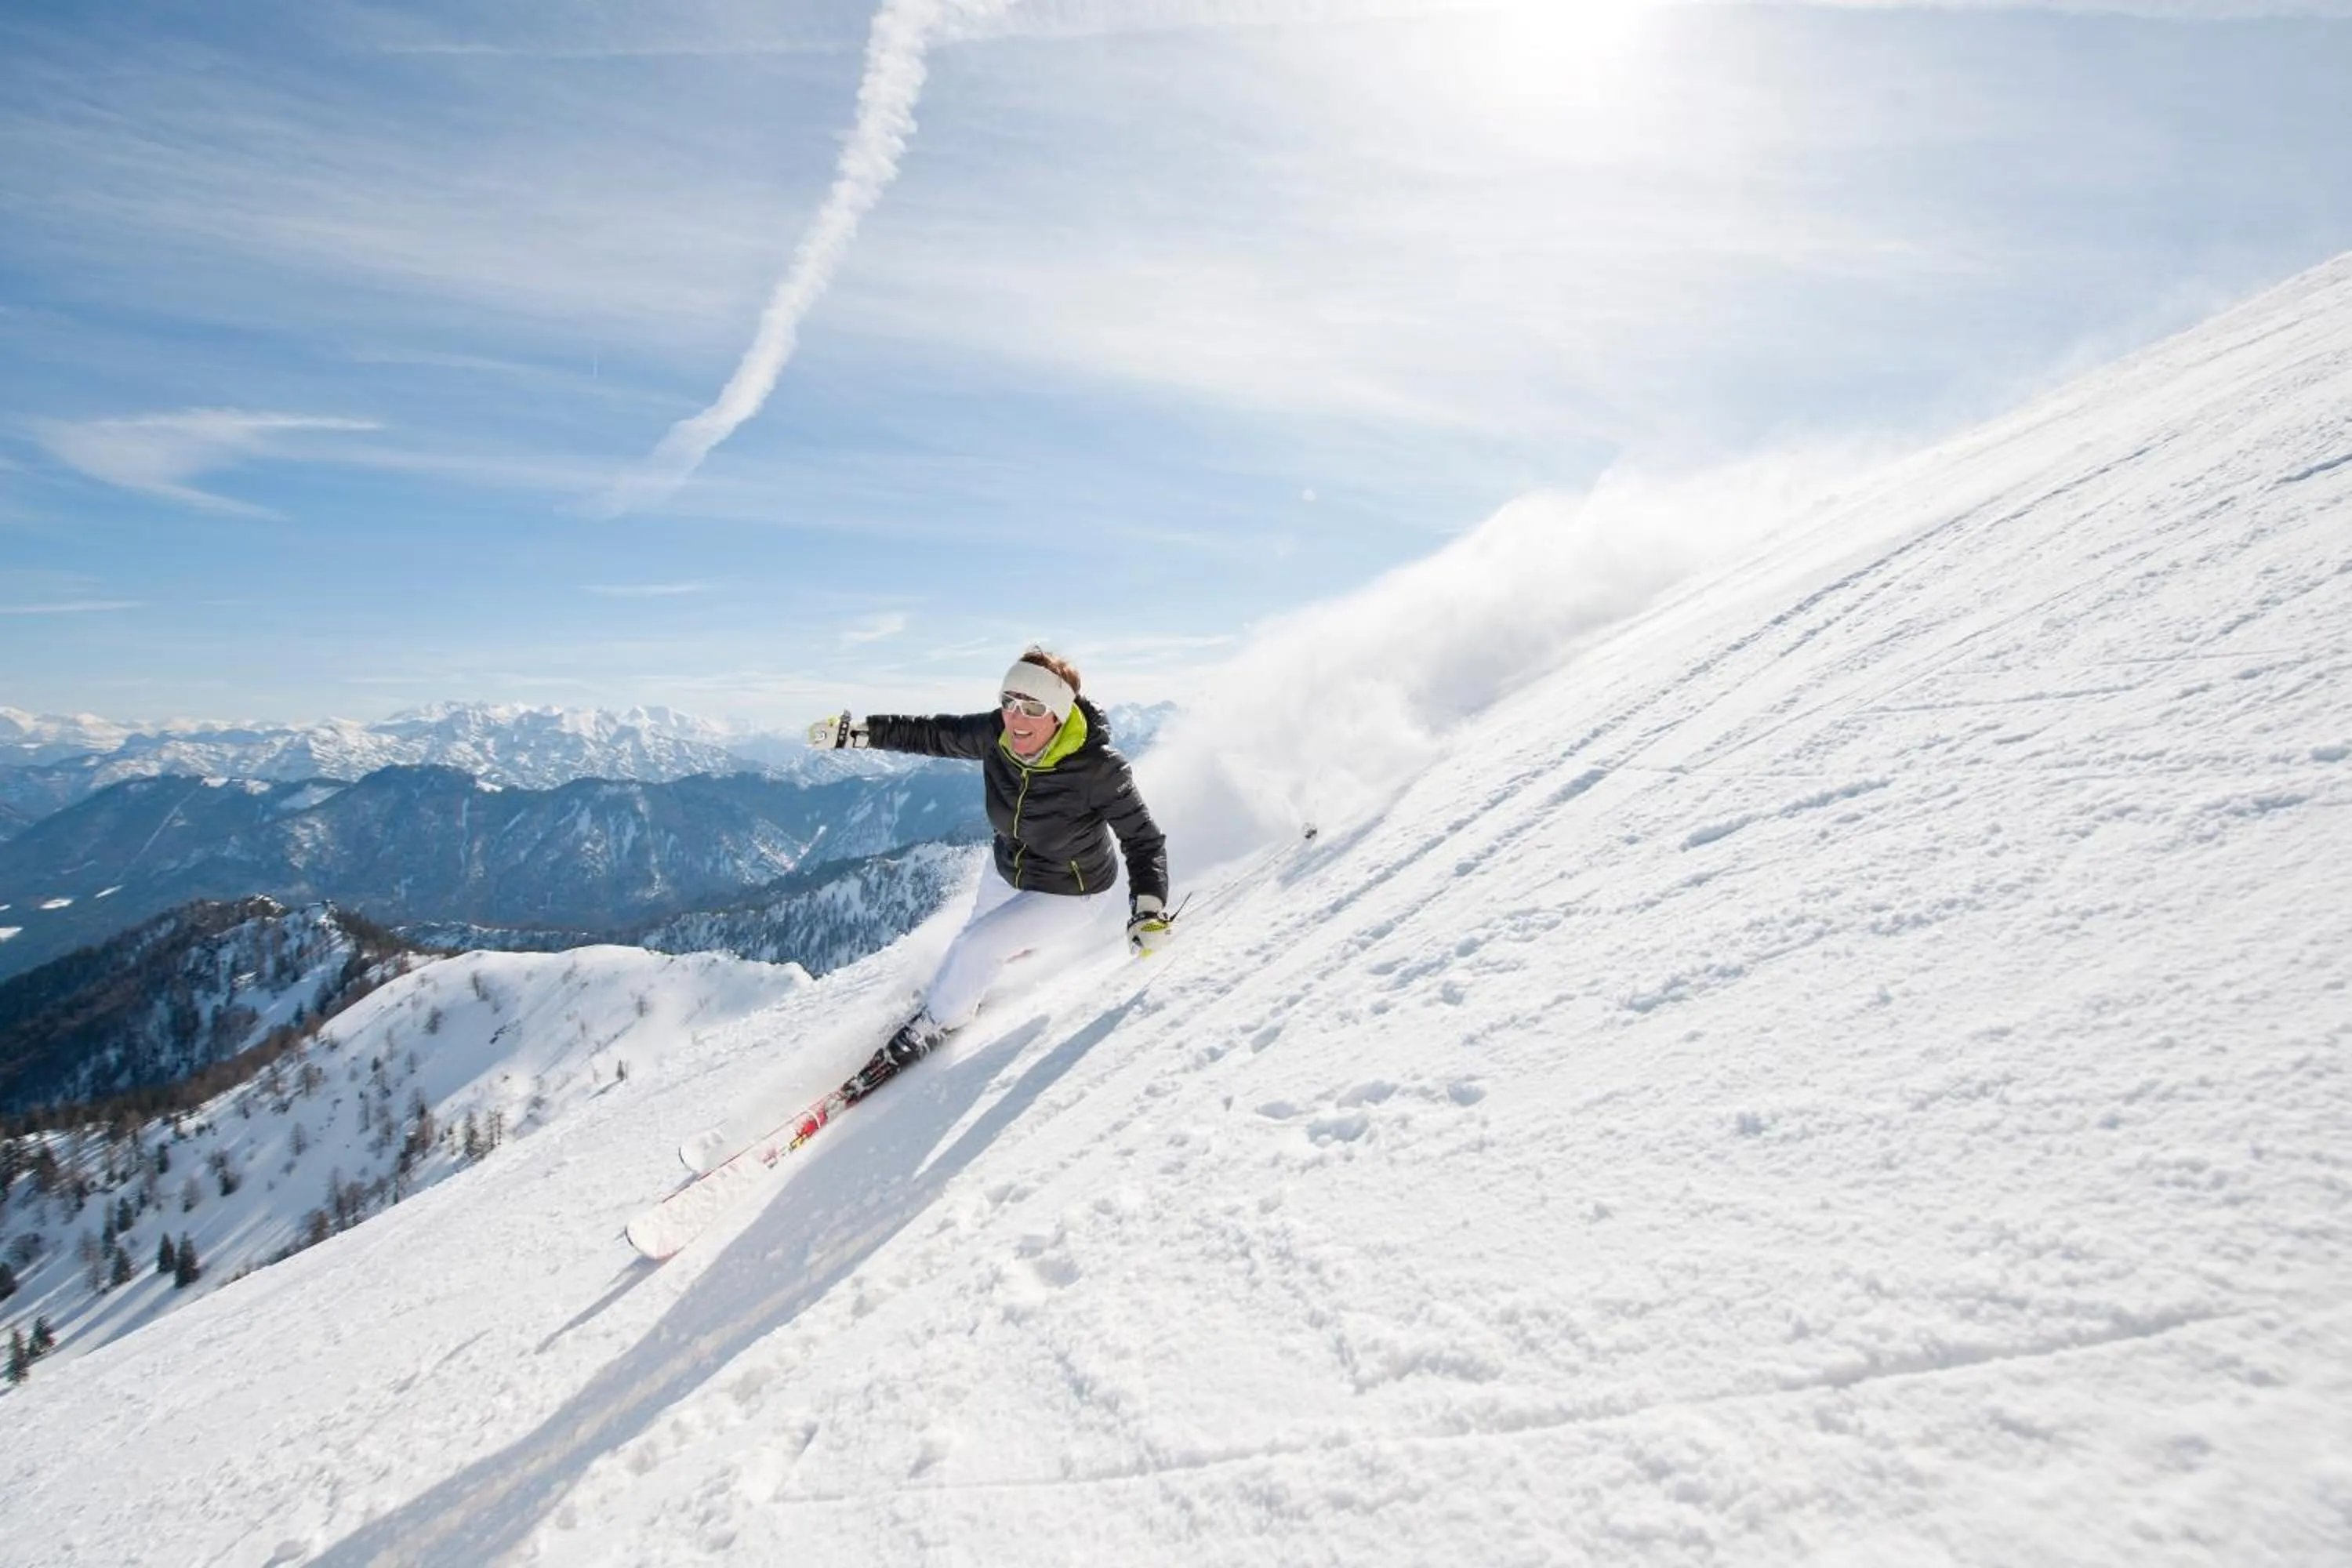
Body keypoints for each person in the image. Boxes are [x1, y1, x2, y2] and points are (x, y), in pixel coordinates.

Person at [806, 646, 1170, 1101]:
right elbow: (929, 735)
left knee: (980, 946)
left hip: (1071, 890)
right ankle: (968, 987)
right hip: (1008, 868)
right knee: (975, 937)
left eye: (1033, 708)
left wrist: (1148, 908)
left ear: (1058, 714)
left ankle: (940, 1021)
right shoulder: (996, 734)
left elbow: (1143, 839)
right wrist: (858, 734)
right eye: (1009, 702)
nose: (1017, 717)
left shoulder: (1098, 768)